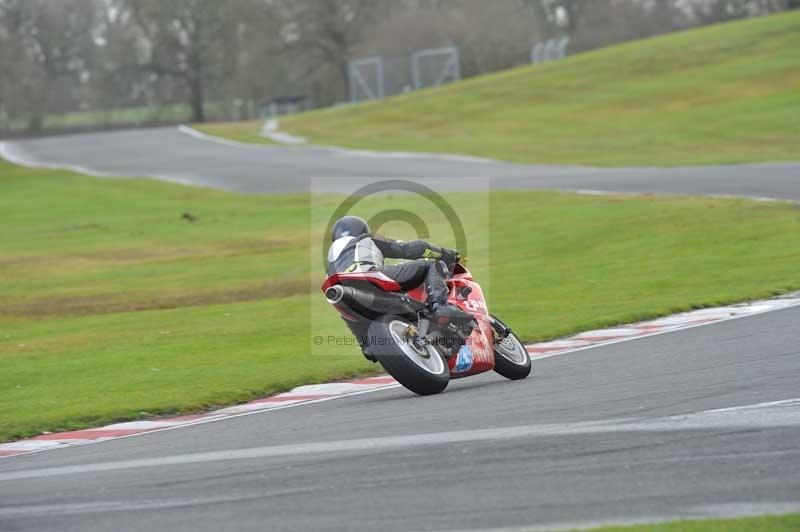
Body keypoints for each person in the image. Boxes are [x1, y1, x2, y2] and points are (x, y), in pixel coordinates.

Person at [326, 215, 471, 359]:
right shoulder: (365, 239)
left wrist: (364, 340)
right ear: (361, 230)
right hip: (369, 275)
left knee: (348, 310)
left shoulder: (330, 262)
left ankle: (366, 345)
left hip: (341, 293)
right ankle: (439, 306)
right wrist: (445, 254)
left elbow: (348, 314)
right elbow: (409, 249)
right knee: (432, 265)